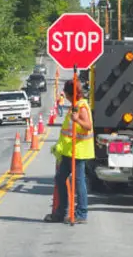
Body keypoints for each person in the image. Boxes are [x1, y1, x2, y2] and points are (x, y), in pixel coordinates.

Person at [44, 79, 94, 224]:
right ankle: (61, 212)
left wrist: (77, 120)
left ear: (70, 93)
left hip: (78, 151)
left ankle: (81, 213)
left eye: (66, 93)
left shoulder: (81, 107)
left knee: (79, 181)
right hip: (68, 151)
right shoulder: (74, 105)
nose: (64, 95)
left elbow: (88, 126)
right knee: (60, 179)